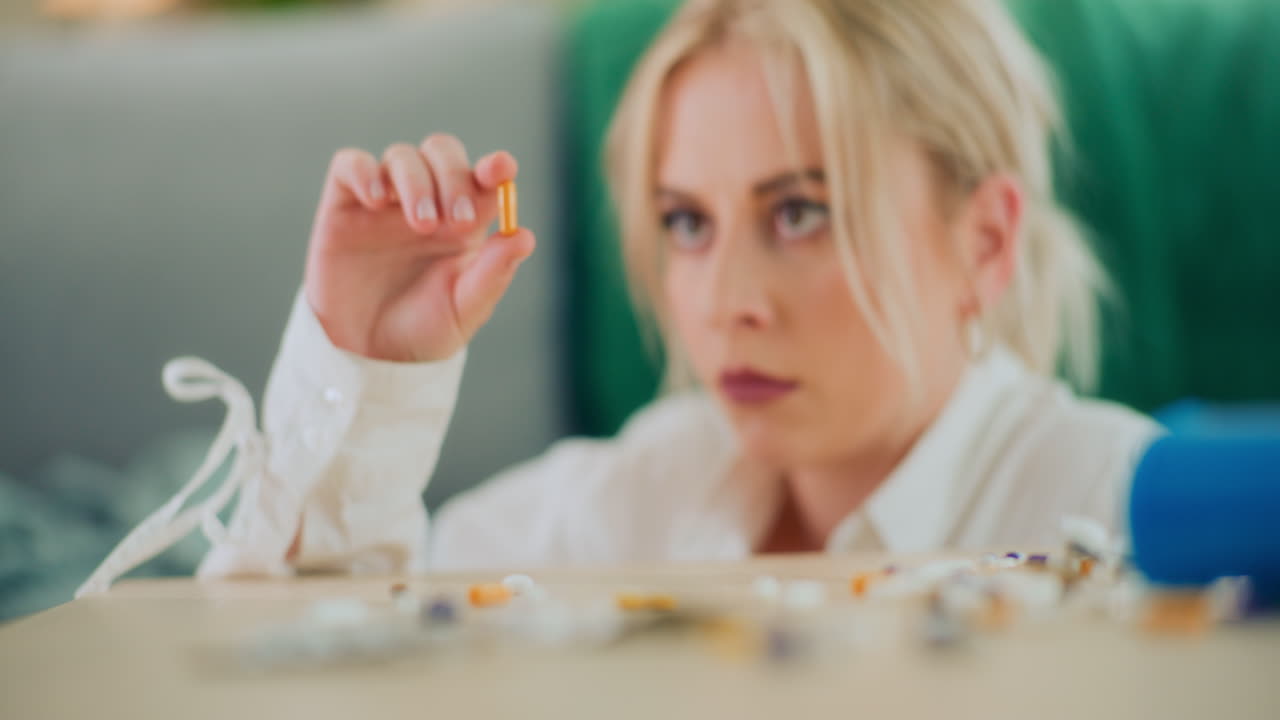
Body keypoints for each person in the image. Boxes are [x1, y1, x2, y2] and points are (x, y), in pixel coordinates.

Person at [93, 0, 1166, 588]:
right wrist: (366, 371)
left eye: (800, 212)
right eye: (687, 223)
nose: (725, 302)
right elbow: (315, 651)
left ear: (984, 241)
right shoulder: (637, 498)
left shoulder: (1120, 511)